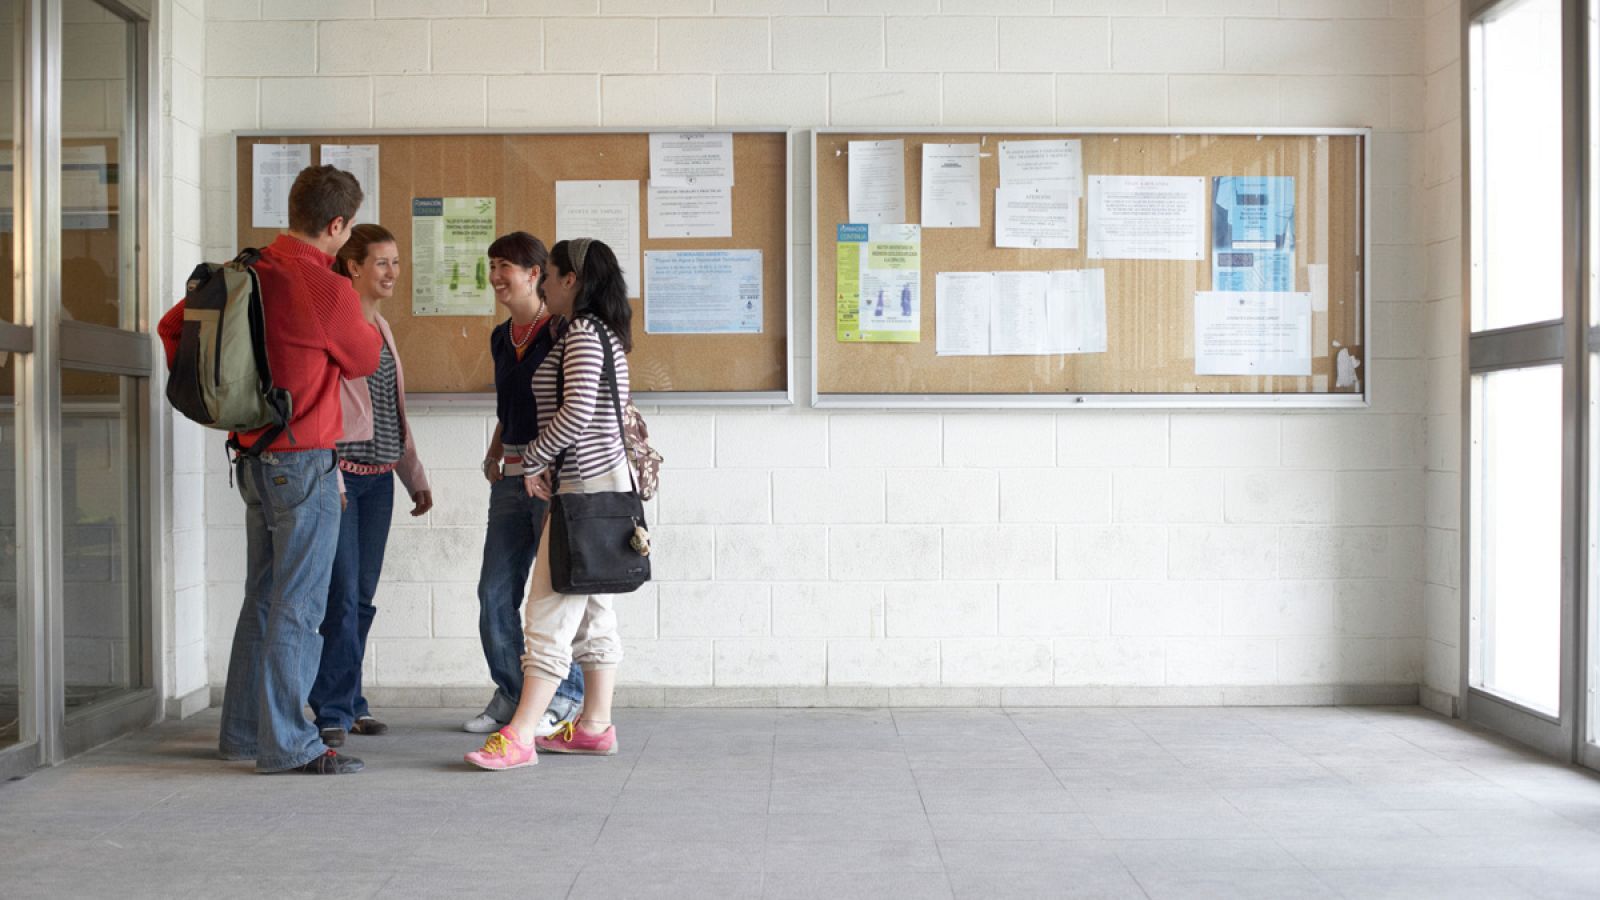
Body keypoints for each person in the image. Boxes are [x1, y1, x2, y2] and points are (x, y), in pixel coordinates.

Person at [158, 165, 380, 774]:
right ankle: (289, 744)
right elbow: (364, 357)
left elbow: (172, 328)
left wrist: (233, 394)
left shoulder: (244, 269)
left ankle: (243, 734)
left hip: (253, 459)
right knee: (299, 606)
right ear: (337, 225)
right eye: (348, 229)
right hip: (303, 461)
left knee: (262, 598)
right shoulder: (326, 286)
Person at [466, 237, 631, 770]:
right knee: (594, 612)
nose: (546, 285)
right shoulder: (599, 331)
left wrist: (534, 457)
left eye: (551, 274)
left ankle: (519, 735)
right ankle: (594, 726)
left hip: (580, 491)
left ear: (568, 280)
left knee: (547, 611)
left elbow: (576, 410)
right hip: (603, 489)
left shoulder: (579, 332)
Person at [308, 224, 433, 749]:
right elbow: (322, 410)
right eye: (382, 262)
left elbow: (391, 412)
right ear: (353, 265)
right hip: (341, 480)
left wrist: (414, 477)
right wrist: (332, 474)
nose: (392, 272)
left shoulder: (381, 327)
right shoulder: (337, 325)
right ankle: (332, 710)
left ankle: (351, 701)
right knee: (340, 597)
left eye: (396, 262)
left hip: (380, 482)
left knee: (360, 597)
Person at [464, 231, 586, 737]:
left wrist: (545, 461)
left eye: (505, 267)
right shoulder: (500, 337)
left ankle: (564, 697)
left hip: (553, 482)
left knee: (555, 597)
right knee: (493, 593)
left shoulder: (560, 331)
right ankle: (514, 694)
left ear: (535, 274)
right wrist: (495, 451)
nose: (496, 276)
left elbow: (571, 408)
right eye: (492, 266)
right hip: (510, 480)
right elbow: (509, 409)